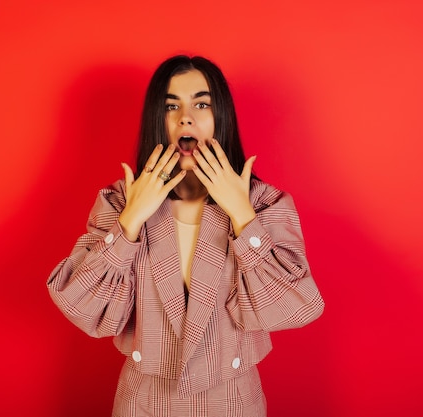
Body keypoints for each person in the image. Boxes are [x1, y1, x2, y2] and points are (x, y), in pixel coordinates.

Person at [46, 55, 324, 417]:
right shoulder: (119, 201)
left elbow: (296, 306)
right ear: (156, 121)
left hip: (234, 403)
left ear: (221, 116)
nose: (185, 117)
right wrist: (130, 221)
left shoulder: (264, 203)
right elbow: (86, 310)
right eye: (171, 105)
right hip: (142, 403)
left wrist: (242, 216)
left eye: (202, 103)